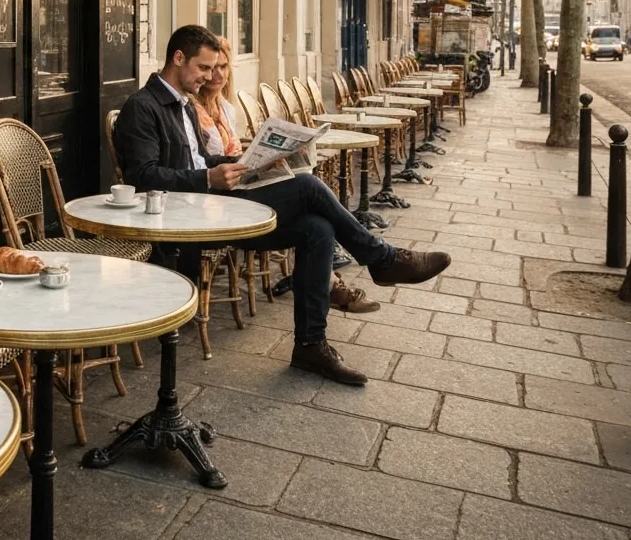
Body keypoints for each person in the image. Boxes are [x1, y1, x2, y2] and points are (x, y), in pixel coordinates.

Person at [115, 24, 451, 385]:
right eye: (204, 68)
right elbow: (143, 178)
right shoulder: (143, 107)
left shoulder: (184, 104)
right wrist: (207, 179)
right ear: (178, 58)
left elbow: (197, 162)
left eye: (216, 68)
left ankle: (310, 345)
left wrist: (248, 165)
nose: (212, 77)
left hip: (209, 203)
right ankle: (382, 259)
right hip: (186, 219)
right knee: (307, 186)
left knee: (316, 229)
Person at [190, 36, 380, 315]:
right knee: (307, 188)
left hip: (241, 183)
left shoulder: (224, 108)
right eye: (210, 68)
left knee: (317, 222)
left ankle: (328, 289)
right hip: (224, 197)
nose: (216, 75)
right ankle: (373, 257)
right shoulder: (190, 111)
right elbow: (201, 164)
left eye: (224, 67)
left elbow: (232, 155)